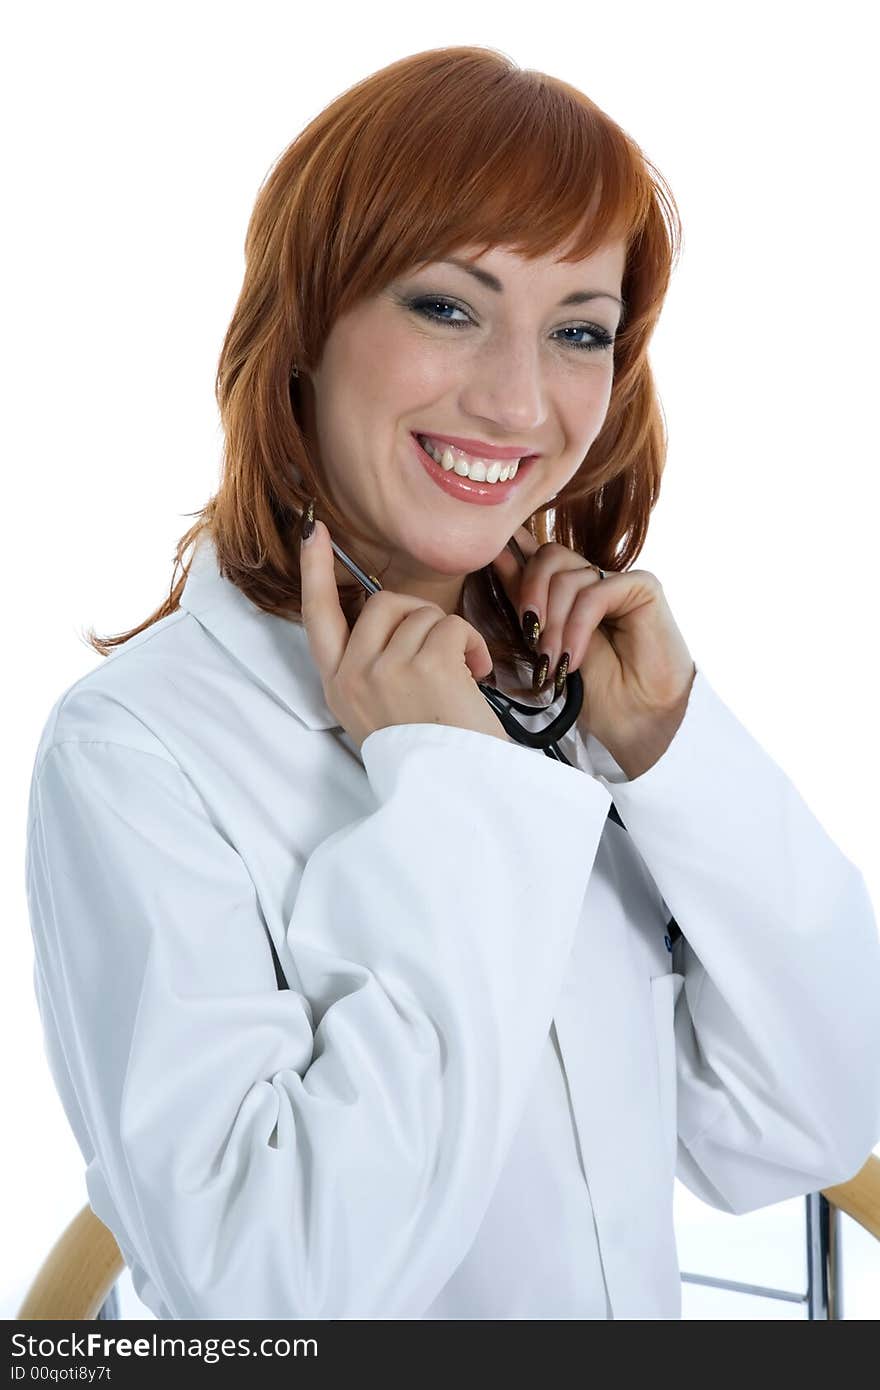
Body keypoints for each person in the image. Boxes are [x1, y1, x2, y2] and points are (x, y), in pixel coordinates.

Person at [24, 45, 880, 1322]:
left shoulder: (573, 694)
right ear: (305, 326)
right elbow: (273, 1295)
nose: (519, 400)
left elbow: (800, 1120)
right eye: (447, 306)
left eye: (579, 330)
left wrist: (675, 755)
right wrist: (450, 799)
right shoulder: (139, 749)